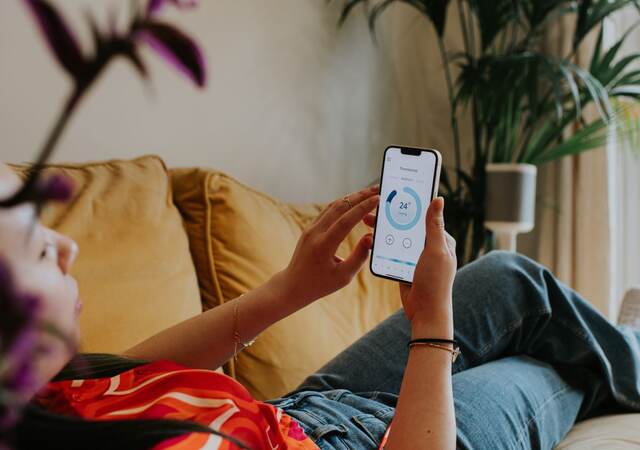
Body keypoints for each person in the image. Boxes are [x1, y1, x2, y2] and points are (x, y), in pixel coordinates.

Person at [0, 161, 638, 450]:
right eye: (33, 244)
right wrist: (432, 324)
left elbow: (131, 370)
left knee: (508, 275)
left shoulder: (40, 401)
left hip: (299, 411)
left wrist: (291, 289)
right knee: (559, 368)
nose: (67, 244)